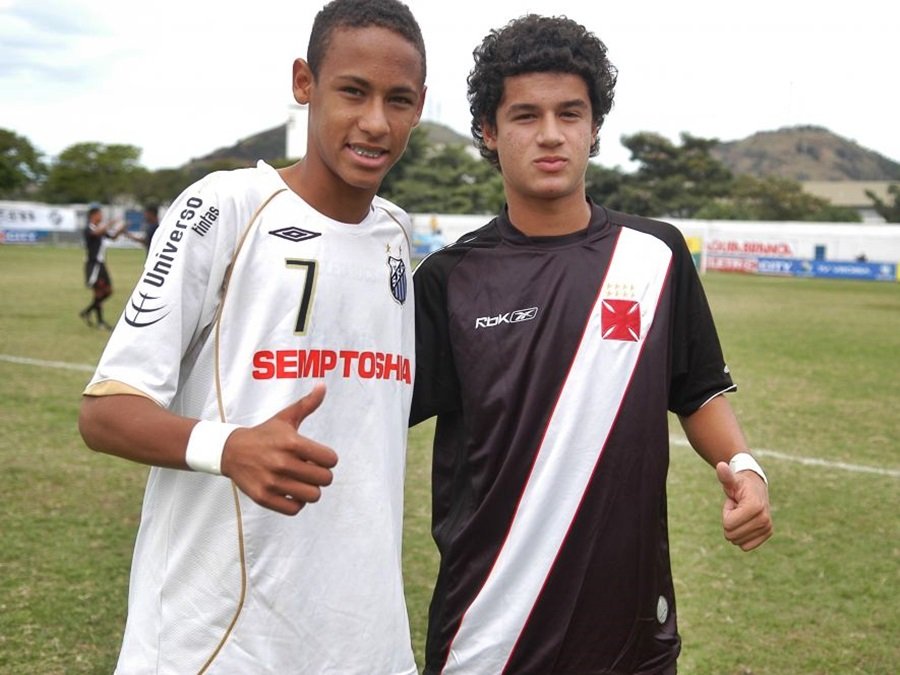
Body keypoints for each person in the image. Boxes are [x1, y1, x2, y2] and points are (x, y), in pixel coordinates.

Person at [410, 14, 772, 674]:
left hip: (631, 639)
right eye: (525, 115)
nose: (550, 133)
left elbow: (698, 392)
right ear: (488, 130)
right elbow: (370, 413)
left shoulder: (655, 255)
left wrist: (745, 468)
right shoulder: (449, 279)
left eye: (570, 113)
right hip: (489, 636)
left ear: (595, 126)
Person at [78, 0, 426, 671]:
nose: (376, 122)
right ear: (305, 82)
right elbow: (104, 412)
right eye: (353, 91)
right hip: (216, 642)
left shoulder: (396, 232)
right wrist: (230, 446)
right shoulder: (225, 206)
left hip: (364, 642)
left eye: (399, 99)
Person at [79, 206, 123, 330]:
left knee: (108, 291)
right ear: (93, 216)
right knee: (98, 291)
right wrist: (110, 223)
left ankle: (87, 312)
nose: (101, 216)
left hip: (101, 264)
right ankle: (100, 322)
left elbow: (112, 237)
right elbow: (96, 233)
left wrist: (121, 229)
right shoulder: (88, 229)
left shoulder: (100, 229)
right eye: (100, 214)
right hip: (93, 265)